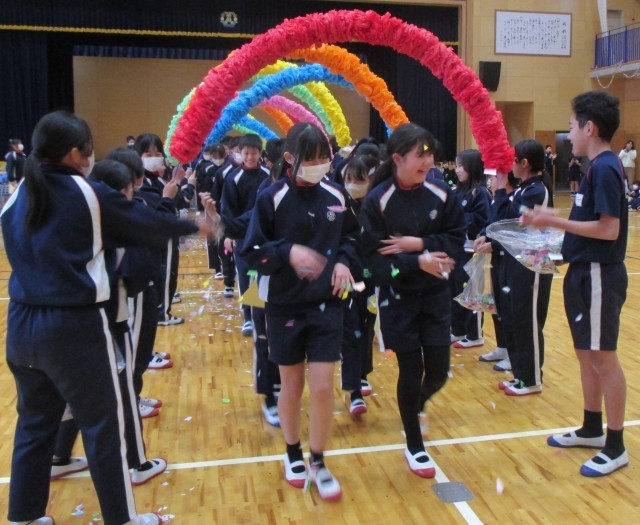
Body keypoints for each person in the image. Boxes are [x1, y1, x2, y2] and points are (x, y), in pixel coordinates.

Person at [0, 110, 215, 525]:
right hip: (73, 328)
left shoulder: (19, 191)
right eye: (88, 149)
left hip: (22, 326)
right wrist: (194, 226)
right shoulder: (87, 193)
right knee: (103, 427)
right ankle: (123, 519)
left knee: (34, 424)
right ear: (74, 153)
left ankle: (24, 517)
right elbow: (146, 223)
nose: (91, 157)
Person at [239, 122, 359, 501]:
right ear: (290, 158)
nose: (321, 164)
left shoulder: (336, 194)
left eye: (325, 157)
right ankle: (292, 452)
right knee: (291, 385)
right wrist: (287, 251)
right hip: (284, 307)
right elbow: (250, 252)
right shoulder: (270, 198)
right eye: (313, 158)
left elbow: (353, 237)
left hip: (327, 305)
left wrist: (344, 262)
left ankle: (318, 461)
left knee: (322, 388)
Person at [523, 90, 629, 477]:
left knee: (603, 357)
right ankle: (591, 427)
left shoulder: (605, 168)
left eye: (571, 126)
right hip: (583, 272)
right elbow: (588, 225)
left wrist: (552, 221)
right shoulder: (594, 168)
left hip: (600, 274)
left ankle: (615, 445)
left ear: (589, 128)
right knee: (587, 354)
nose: (568, 134)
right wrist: (558, 238)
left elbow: (608, 229)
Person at [360, 123, 465, 478]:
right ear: (398, 158)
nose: (428, 162)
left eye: (430, 154)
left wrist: (420, 245)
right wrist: (416, 262)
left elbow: (457, 240)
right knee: (411, 369)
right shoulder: (377, 201)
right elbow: (373, 261)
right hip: (397, 298)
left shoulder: (442, 193)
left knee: (437, 371)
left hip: (435, 296)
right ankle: (414, 445)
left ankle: (415, 406)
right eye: (420, 155)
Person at [483, 140, 553, 396]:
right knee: (512, 318)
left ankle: (532, 379)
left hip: (531, 264)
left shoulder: (536, 191)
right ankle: (520, 375)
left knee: (527, 322)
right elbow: (495, 222)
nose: (510, 165)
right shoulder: (522, 190)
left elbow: (511, 220)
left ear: (524, 163)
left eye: (514, 160)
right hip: (513, 260)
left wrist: (501, 190)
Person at [220, 134, 271, 336]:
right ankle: (248, 316)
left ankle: (263, 313)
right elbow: (228, 211)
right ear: (239, 153)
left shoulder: (268, 175)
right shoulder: (233, 178)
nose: (250, 157)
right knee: (245, 274)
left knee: (263, 274)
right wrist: (229, 235)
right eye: (246, 153)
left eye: (254, 153)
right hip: (242, 235)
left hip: (265, 235)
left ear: (260, 153)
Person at [475, 171, 520, 372]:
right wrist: (484, 236)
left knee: (510, 309)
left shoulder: (513, 199)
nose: (490, 182)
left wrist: (494, 244)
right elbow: (492, 223)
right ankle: (502, 347)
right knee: (498, 305)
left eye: (493, 178)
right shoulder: (497, 198)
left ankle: (512, 353)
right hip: (497, 260)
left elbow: (512, 229)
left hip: (511, 261)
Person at [449, 149, 491, 349]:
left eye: (461, 166)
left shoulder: (480, 192)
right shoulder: (457, 192)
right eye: (456, 165)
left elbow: (482, 220)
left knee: (472, 292)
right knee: (455, 290)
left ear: (471, 167)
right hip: (456, 250)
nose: (457, 170)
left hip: (472, 251)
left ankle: (475, 335)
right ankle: (457, 330)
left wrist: (457, 219)